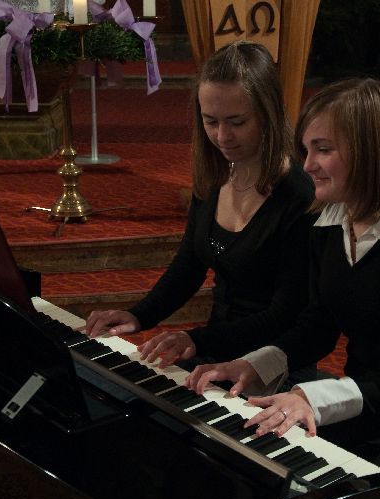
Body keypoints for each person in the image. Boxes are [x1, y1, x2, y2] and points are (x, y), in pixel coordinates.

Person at [185, 77, 380, 471]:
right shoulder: (328, 223)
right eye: (306, 149)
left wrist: (309, 398)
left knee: (320, 487)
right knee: (254, 457)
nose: (307, 165)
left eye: (323, 149)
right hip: (369, 403)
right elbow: (318, 325)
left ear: (370, 151)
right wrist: (254, 364)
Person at [84, 41, 317, 384]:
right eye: (211, 121)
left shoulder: (300, 196)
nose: (222, 136)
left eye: (237, 122)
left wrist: (196, 340)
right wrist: (139, 315)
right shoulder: (215, 176)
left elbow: (284, 314)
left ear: (268, 113)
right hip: (219, 348)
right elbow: (189, 263)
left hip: (273, 363)